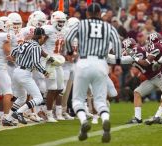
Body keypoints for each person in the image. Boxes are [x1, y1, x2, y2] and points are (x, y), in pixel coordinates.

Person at [65, 3, 121, 143]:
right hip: (101, 63)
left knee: (78, 99)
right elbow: (117, 42)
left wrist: (70, 52)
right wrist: (118, 60)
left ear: (88, 13)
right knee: (100, 100)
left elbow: (67, 39)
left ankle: (84, 121)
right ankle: (105, 120)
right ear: (99, 14)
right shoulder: (109, 27)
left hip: (83, 62)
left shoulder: (81, 24)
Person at [3, 27, 50, 125]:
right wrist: (45, 72)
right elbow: (36, 63)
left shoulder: (24, 42)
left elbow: (13, 53)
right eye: (43, 37)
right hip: (25, 73)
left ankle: (7, 119)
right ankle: (19, 112)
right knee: (38, 98)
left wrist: (20, 60)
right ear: (41, 36)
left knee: (21, 98)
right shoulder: (36, 47)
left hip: (17, 71)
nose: (44, 39)